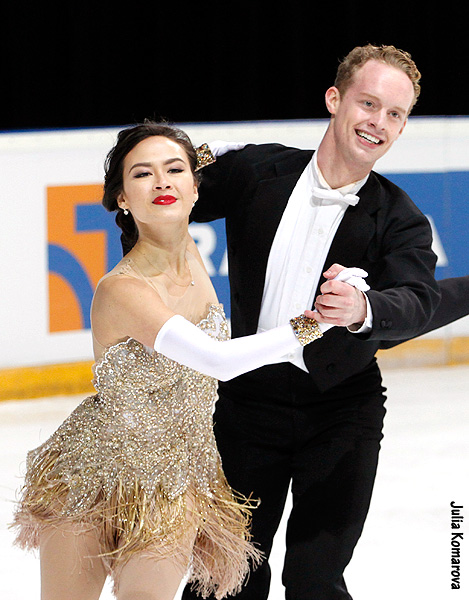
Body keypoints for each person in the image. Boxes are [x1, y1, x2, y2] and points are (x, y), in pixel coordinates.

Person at [11, 121, 370, 600]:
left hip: (175, 480)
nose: (161, 182)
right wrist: (313, 325)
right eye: (142, 175)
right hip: (92, 473)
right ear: (121, 198)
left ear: (196, 186)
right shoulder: (123, 289)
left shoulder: (191, 257)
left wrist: (205, 152)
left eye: (174, 170)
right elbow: (217, 361)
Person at [180, 44, 469, 600]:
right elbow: (162, 199)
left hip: (342, 413)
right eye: (368, 103)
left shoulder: (401, 218)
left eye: (395, 114)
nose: (378, 122)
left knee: (315, 580)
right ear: (335, 99)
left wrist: (364, 310)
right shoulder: (256, 171)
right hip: (247, 408)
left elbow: (416, 298)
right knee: (223, 579)